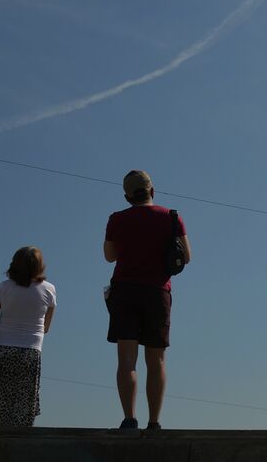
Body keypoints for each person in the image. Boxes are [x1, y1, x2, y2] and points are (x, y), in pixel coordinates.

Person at [104, 169, 191, 431]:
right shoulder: (172, 218)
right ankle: (154, 422)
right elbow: (186, 257)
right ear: (152, 191)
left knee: (127, 360)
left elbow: (109, 256)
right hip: (158, 292)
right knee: (156, 360)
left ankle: (129, 419)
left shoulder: (117, 219)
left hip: (125, 291)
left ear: (127, 196)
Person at [0, 246, 56, 427]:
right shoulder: (49, 289)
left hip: (1, 349)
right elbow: (45, 328)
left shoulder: (4, 287)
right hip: (31, 352)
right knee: (21, 401)